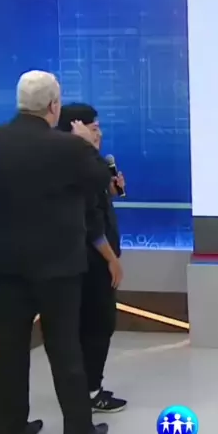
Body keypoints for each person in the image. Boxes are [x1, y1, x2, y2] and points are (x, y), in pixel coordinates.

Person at [0, 71, 112, 434]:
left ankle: (10, 427)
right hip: (59, 262)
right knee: (64, 345)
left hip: (7, 261)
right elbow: (99, 181)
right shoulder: (70, 147)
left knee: (9, 347)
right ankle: (78, 429)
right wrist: (84, 144)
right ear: (53, 105)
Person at [57, 104, 127, 413]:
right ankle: (89, 390)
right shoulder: (78, 167)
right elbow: (90, 223)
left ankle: (87, 387)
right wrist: (111, 259)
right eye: (92, 128)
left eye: (98, 127)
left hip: (92, 259)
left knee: (95, 325)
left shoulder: (93, 166)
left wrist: (110, 190)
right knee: (97, 325)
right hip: (91, 261)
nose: (99, 133)